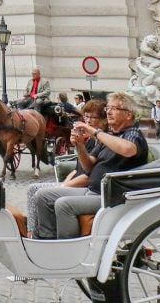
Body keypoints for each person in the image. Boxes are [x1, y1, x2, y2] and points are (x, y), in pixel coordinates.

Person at [33, 92, 148, 239]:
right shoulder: (111, 135)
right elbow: (88, 166)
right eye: (108, 109)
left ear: (128, 115)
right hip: (93, 190)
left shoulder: (132, 134)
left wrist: (95, 132)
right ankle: (46, 239)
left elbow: (127, 149)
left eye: (114, 108)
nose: (109, 112)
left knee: (64, 205)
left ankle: (70, 250)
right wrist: (79, 145)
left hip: (112, 196)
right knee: (42, 195)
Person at [26, 99, 107, 236]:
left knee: (43, 194)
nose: (87, 120)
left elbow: (88, 175)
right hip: (76, 182)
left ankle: (42, 234)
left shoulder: (102, 142)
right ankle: (33, 230)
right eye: (86, 116)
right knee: (32, 188)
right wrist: (65, 183)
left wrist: (65, 186)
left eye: (91, 117)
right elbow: (77, 169)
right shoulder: (91, 142)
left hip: (85, 186)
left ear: (104, 120)